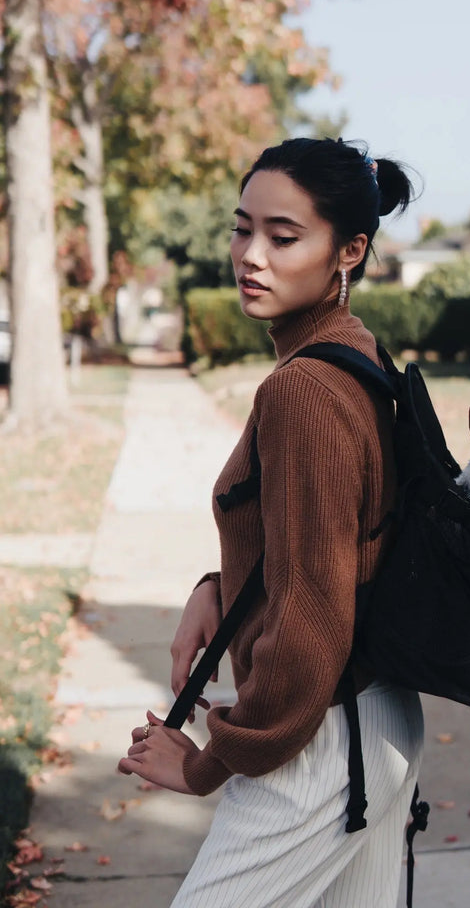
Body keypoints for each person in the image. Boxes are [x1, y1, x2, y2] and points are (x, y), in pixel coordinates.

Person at [119, 137, 424, 907]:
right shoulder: (355, 356)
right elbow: (334, 543)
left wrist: (205, 763)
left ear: (348, 251)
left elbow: (312, 618)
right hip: (376, 718)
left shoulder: (305, 392)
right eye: (241, 227)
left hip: (319, 743)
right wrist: (219, 585)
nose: (251, 255)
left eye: (284, 237)